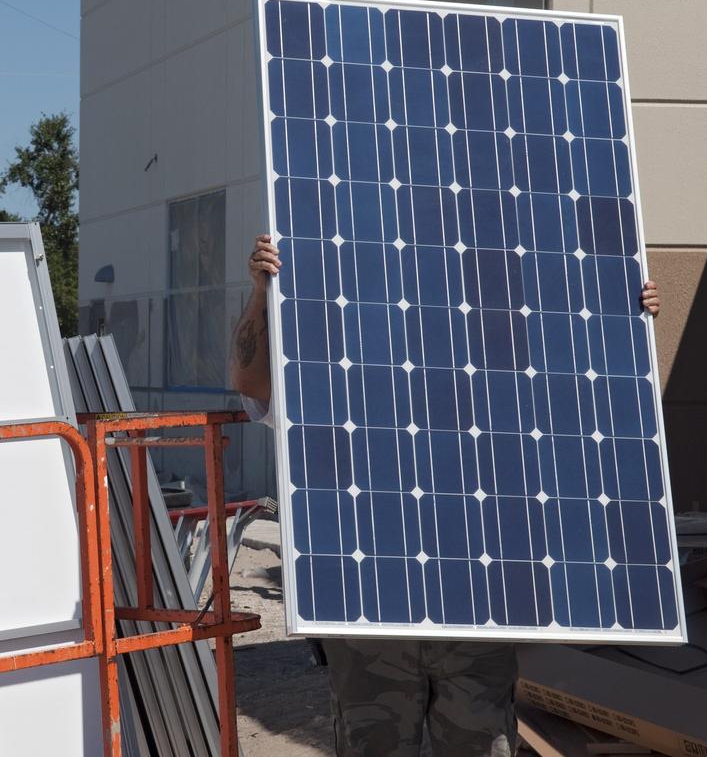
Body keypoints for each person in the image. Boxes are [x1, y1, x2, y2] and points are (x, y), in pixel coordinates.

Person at [230, 233, 662, 757]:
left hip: (476, 611)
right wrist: (260, 294)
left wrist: (617, 313)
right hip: (369, 614)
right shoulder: (334, 386)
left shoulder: (498, 394)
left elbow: (580, 394)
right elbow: (251, 383)